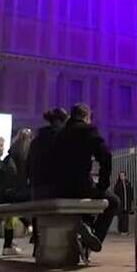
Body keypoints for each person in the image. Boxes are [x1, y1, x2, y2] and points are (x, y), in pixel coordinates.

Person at [50, 104, 119, 253]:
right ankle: (94, 237)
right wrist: (103, 184)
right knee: (114, 202)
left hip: (60, 188)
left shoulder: (60, 133)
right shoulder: (88, 130)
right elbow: (106, 156)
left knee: (86, 201)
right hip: (80, 186)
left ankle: (86, 229)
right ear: (86, 116)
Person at [28, 109, 68, 201]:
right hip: (57, 187)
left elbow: (29, 163)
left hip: (37, 186)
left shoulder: (36, 140)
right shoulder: (63, 138)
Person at [113, 172, 134, 236]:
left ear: (125, 176)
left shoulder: (128, 184)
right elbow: (115, 194)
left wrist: (131, 201)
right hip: (120, 204)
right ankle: (121, 230)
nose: (122, 177)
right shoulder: (117, 185)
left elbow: (131, 193)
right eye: (120, 176)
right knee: (121, 217)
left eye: (123, 175)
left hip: (127, 204)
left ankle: (126, 230)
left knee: (126, 218)